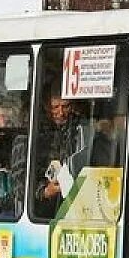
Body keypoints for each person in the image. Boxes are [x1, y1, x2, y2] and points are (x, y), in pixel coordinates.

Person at [32, 86, 89, 219]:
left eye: (65, 106)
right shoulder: (37, 132)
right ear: (47, 108)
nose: (61, 112)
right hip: (41, 209)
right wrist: (44, 191)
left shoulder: (80, 127)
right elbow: (23, 179)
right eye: (55, 107)